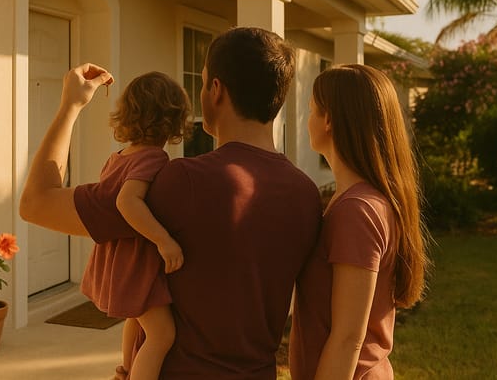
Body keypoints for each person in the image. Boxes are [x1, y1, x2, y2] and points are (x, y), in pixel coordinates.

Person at [20, 27, 323, 379]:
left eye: (203, 82)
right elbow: (310, 321)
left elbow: (36, 203)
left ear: (216, 90)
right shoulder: (305, 195)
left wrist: (70, 106)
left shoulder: (183, 182)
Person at [289, 64, 430, 380]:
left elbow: (348, 338)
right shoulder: (359, 201)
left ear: (328, 120)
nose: (307, 119)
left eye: (310, 109)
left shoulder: (358, 210)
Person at [78, 71, 191, 380]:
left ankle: (127, 370)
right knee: (162, 335)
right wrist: (164, 240)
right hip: (133, 263)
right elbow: (126, 202)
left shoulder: (117, 157)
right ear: (171, 119)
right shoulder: (154, 158)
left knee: (136, 319)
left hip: (115, 260)